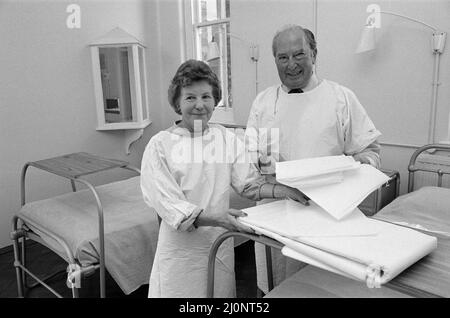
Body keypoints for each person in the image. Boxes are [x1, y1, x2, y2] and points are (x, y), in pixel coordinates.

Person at [140, 59, 306, 298]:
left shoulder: (223, 137)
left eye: (206, 97)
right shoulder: (160, 145)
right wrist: (215, 218)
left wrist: (283, 191)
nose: (199, 105)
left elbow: (248, 183)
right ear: (177, 101)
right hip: (181, 253)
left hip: (219, 245)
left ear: (215, 99)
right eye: (190, 97)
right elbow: (168, 204)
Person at [246, 24, 382, 295]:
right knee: (271, 285)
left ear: (314, 54)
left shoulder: (340, 98)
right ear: (275, 60)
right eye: (283, 57)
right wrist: (259, 161)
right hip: (274, 209)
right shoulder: (262, 103)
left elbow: (371, 151)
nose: (291, 64)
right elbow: (249, 158)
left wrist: (361, 164)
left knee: (316, 286)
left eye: (299, 55)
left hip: (326, 213)